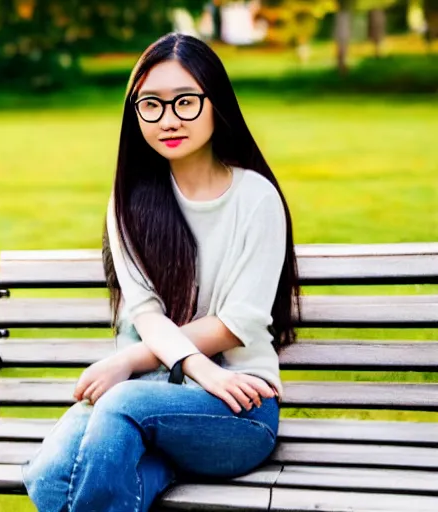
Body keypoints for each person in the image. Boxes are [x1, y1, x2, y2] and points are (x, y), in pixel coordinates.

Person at [22, 32, 300, 512]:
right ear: (135, 114)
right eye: (151, 105)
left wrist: (137, 363)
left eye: (186, 102)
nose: (169, 119)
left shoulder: (256, 199)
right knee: (51, 475)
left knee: (119, 406)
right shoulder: (128, 203)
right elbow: (146, 314)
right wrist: (162, 366)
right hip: (142, 403)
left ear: (217, 103)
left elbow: (240, 323)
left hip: (238, 407)